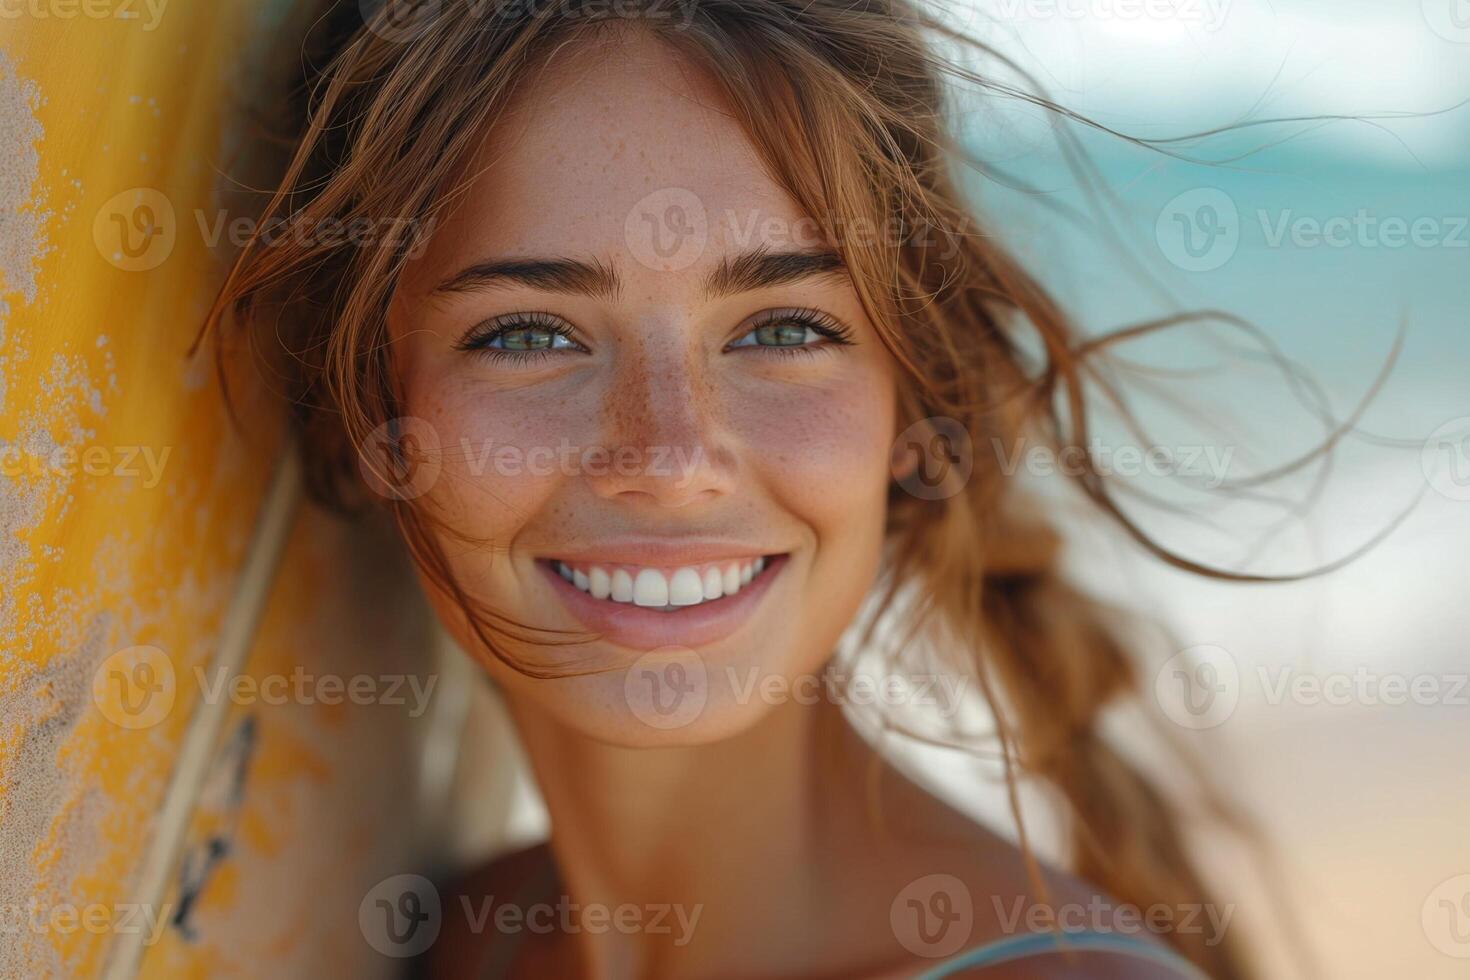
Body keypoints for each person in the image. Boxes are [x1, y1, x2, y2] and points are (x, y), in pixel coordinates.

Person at [205, 1, 1254, 976]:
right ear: (358, 421)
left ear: (912, 402)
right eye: (527, 334)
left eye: (784, 329)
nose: (670, 456)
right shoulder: (461, 936)